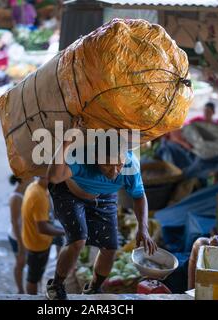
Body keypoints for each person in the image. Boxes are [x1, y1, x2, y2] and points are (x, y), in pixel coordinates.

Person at [46, 120, 157, 300]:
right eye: (107, 164)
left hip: (102, 194)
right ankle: (56, 285)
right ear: (96, 156)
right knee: (78, 240)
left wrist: (143, 227)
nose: (114, 171)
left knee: (110, 247)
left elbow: (139, 196)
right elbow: (53, 176)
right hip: (69, 193)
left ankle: (94, 288)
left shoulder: (130, 165)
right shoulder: (81, 157)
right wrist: (66, 142)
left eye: (118, 165)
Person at [21, 177, 65, 295]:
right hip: (37, 244)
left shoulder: (35, 186)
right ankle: (31, 297)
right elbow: (43, 228)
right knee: (33, 279)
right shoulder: (38, 196)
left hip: (33, 239)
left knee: (38, 272)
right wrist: (64, 232)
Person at [8, 174, 33, 294]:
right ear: (23, 179)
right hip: (18, 236)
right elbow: (15, 223)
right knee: (20, 263)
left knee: (30, 263)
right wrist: (21, 244)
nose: (34, 179)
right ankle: (20, 290)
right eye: (31, 177)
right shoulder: (16, 197)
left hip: (27, 235)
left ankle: (30, 288)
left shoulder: (28, 190)